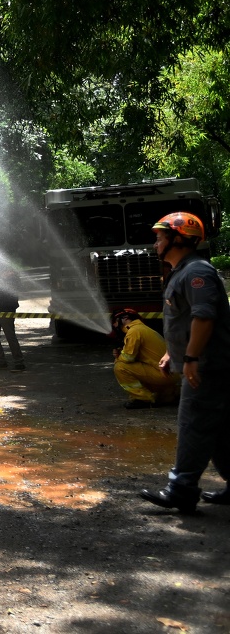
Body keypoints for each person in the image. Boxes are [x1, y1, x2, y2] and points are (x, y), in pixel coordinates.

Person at [139, 212, 230, 513]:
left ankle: (181, 489)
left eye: (160, 237)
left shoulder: (196, 272)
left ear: (178, 239)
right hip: (206, 363)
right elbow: (184, 321)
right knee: (218, 428)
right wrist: (172, 353)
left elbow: (203, 317)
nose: (156, 244)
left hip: (206, 366)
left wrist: (190, 358)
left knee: (194, 424)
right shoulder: (182, 272)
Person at [111, 308, 179, 409]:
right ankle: (169, 395)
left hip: (163, 374)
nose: (115, 326)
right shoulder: (144, 329)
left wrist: (118, 357)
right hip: (172, 374)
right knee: (163, 398)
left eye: (115, 322)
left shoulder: (134, 331)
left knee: (120, 367)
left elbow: (128, 358)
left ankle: (143, 399)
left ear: (125, 318)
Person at [0, 267, 25, 372]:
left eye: (8, 271)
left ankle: (19, 362)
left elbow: (12, 297)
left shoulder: (13, 282)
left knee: (10, 337)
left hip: (6, 312)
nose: (5, 273)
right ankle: (1, 362)